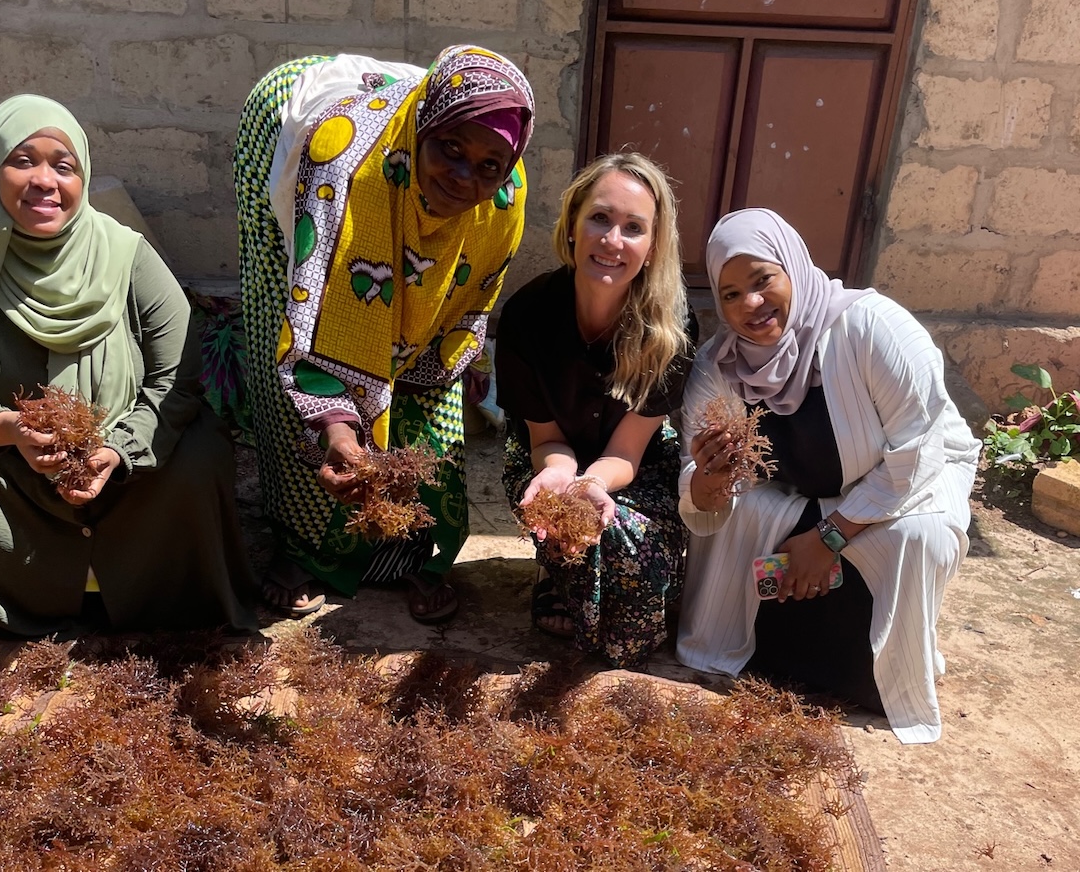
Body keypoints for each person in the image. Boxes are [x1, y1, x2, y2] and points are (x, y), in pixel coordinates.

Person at [0, 95, 258, 666]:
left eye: (63, 166)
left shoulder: (128, 256)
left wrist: (119, 450)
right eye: (22, 161)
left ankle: (151, 590)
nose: (44, 181)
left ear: (81, 177)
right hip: (4, 466)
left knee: (200, 448)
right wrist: (6, 429)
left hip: (124, 464)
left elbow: (177, 379)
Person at [234, 45, 534, 623]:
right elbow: (316, 321)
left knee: (429, 421)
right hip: (293, 148)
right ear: (424, 131)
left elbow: (471, 294)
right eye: (450, 149)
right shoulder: (345, 171)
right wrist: (338, 429)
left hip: (395, 171)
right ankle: (305, 551)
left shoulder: (504, 197)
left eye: (488, 165)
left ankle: (409, 553)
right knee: (291, 343)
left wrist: (457, 362)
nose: (465, 177)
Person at [675, 207, 980, 744]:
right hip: (800, 491)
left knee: (919, 536)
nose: (751, 304)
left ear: (793, 268)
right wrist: (709, 480)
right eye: (731, 293)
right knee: (739, 518)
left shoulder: (873, 328)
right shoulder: (720, 366)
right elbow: (700, 489)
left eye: (763, 280)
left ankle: (880, 675)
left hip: (904, 488)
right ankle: (761, 651)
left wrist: (828, 537)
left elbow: (918, 454)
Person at [496, 153, 696, 669]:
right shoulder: (526, 316)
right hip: (548, 456)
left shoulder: (672, 331)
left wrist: (592, 484)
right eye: (600, 218)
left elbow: (626, 452)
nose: (612, 240)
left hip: (632, 464)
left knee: (629, 592)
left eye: (634, 228)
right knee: (558, 514)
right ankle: (557, 569)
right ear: (572, 225)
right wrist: (561, 477)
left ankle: (591, 572)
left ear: (653, 246)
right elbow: (545, 439)